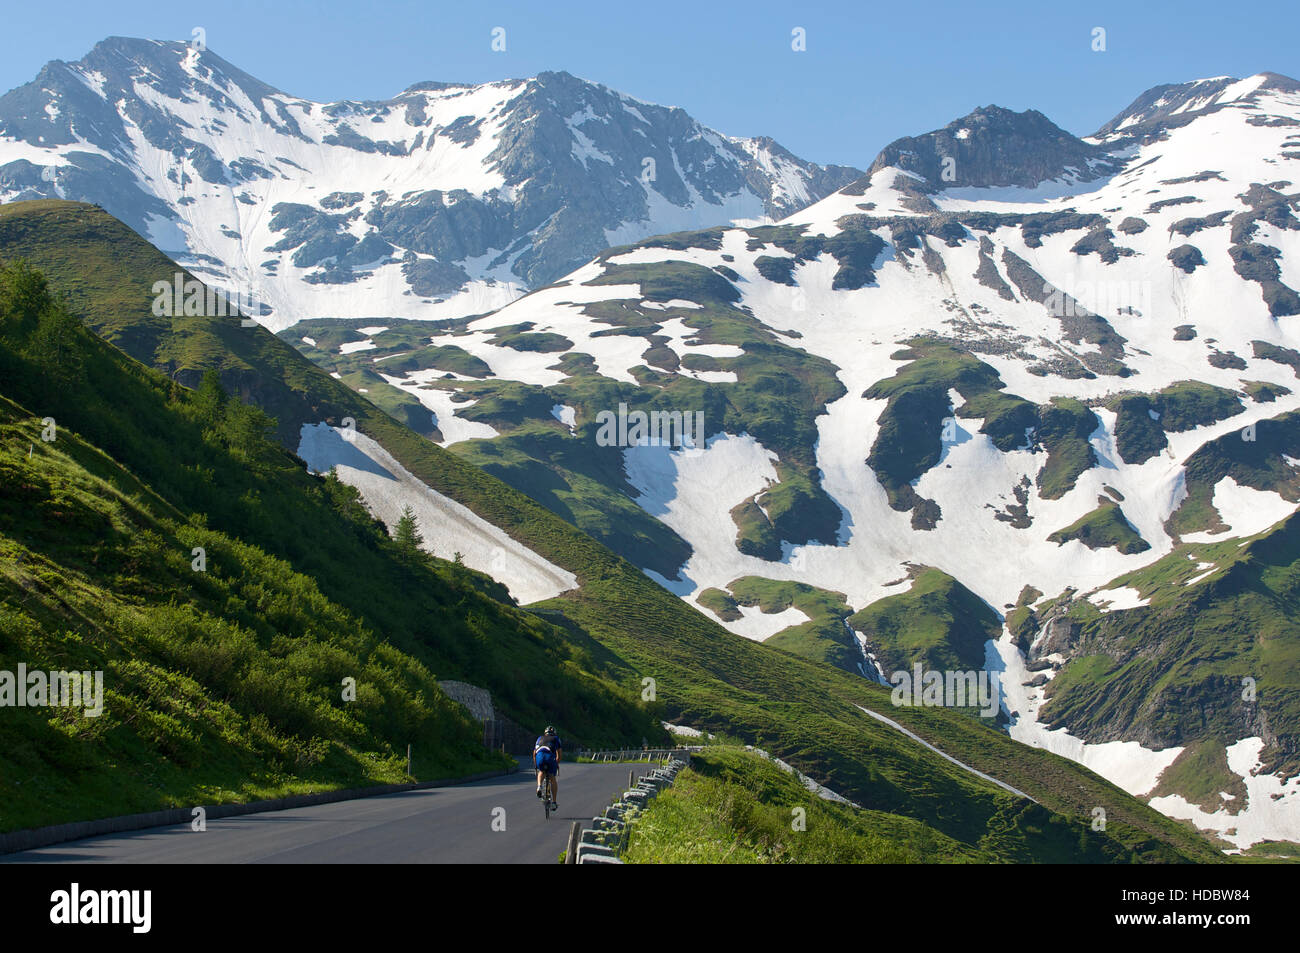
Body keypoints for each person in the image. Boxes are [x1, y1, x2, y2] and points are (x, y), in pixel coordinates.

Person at [534, 726, 562, 807]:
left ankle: (539, 786)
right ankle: (554, 802)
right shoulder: (556, 738)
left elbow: (534, 753)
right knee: (552, 777)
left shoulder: (539, 738)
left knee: (541, 771)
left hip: (539, 757)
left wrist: (536, 766)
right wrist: (556, 764)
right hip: (549, 758)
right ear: (554, 733)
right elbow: (559, 754)